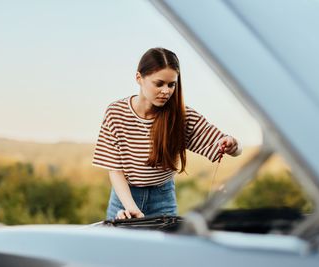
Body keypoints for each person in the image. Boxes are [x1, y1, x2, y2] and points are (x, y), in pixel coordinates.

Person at [92, 47, 242, 220]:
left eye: (171, 85)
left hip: (162, 200)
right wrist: (131, 209)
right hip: (123, 199)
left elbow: (235, 150)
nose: (166, 91)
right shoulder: (115, 113)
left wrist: (233, 144)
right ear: (139, 78)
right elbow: (115, 170)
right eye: (159, 83)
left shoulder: (182, 116)